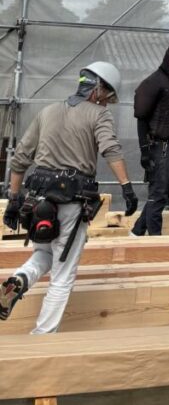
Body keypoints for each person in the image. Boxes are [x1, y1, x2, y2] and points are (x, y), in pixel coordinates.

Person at [0, 62, 138, 332]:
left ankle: (18, 280)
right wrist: (127, 186)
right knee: (63, 275)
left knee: (44, 254)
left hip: (37, 199)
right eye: (108, 97)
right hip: (70, 200)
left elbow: (20, 158)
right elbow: (110, 149)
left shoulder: (48, 111)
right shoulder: (99, 115)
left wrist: (14, 199)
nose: (107, 104)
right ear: (98, 90)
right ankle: (42, 338)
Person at [131, 38, 169, 237]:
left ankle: (137, 232)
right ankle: (154, 237)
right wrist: (145, 151)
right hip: (161, 146)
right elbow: (141, 118)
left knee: (162, 193)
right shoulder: (153, 83)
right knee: (157, 193)